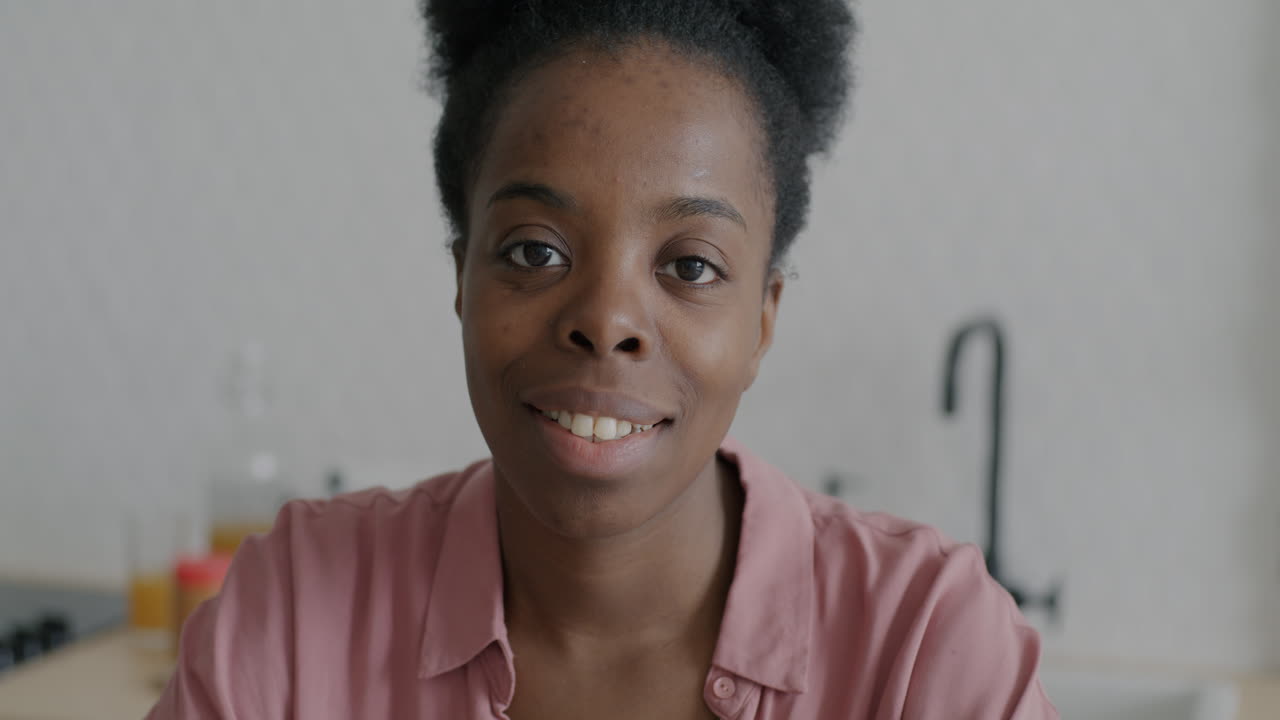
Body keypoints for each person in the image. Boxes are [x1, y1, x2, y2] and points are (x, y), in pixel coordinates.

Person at [148, 1, 1059, 717]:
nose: (606, 321)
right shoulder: (297, 616)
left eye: (692, 266)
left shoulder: (924, 647)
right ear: (462, 276)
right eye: (535, 250)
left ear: (763, 320)